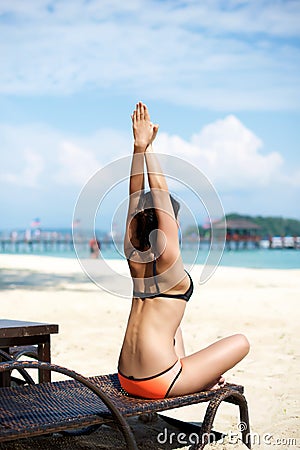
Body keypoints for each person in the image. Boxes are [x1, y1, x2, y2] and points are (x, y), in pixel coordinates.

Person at [118, 102, 250, 399]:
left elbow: (135, 194)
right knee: (241, 341)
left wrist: (139, 148)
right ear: (170, 224)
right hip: (157, 380)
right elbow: (159, 195)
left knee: (175, 326)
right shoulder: (168, 262)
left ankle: (194, 375)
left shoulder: (133, 255)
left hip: (126, 375)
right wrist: (147, 148)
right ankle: (197, 379)